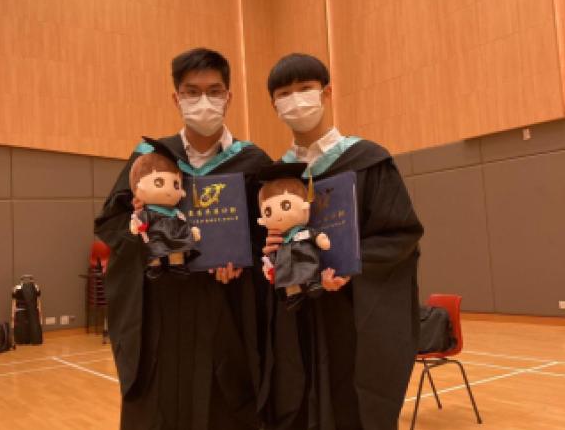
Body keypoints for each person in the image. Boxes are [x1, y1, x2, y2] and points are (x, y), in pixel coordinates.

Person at [95, 47, 272, 430]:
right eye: (192, 92)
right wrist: (143, 229)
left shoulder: (253, 162)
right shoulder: (150, 159)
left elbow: (269, 236)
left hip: (225, 310)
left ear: (228, 96)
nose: (203, 101)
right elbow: (111, 223)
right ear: (176, 98)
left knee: (223, 408)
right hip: (162, 310)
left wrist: (243, 261)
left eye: (214, 91)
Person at [258, 53, 424, 430]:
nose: (296, 100)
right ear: (274, 106)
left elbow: (400, 235)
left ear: (327, 92)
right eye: (285, 93)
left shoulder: (368, 160)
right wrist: (270, 252)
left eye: (305, 88)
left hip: (351, 315)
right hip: (298, 319)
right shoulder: (276, 178)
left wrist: (349, 264)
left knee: (351, 407)